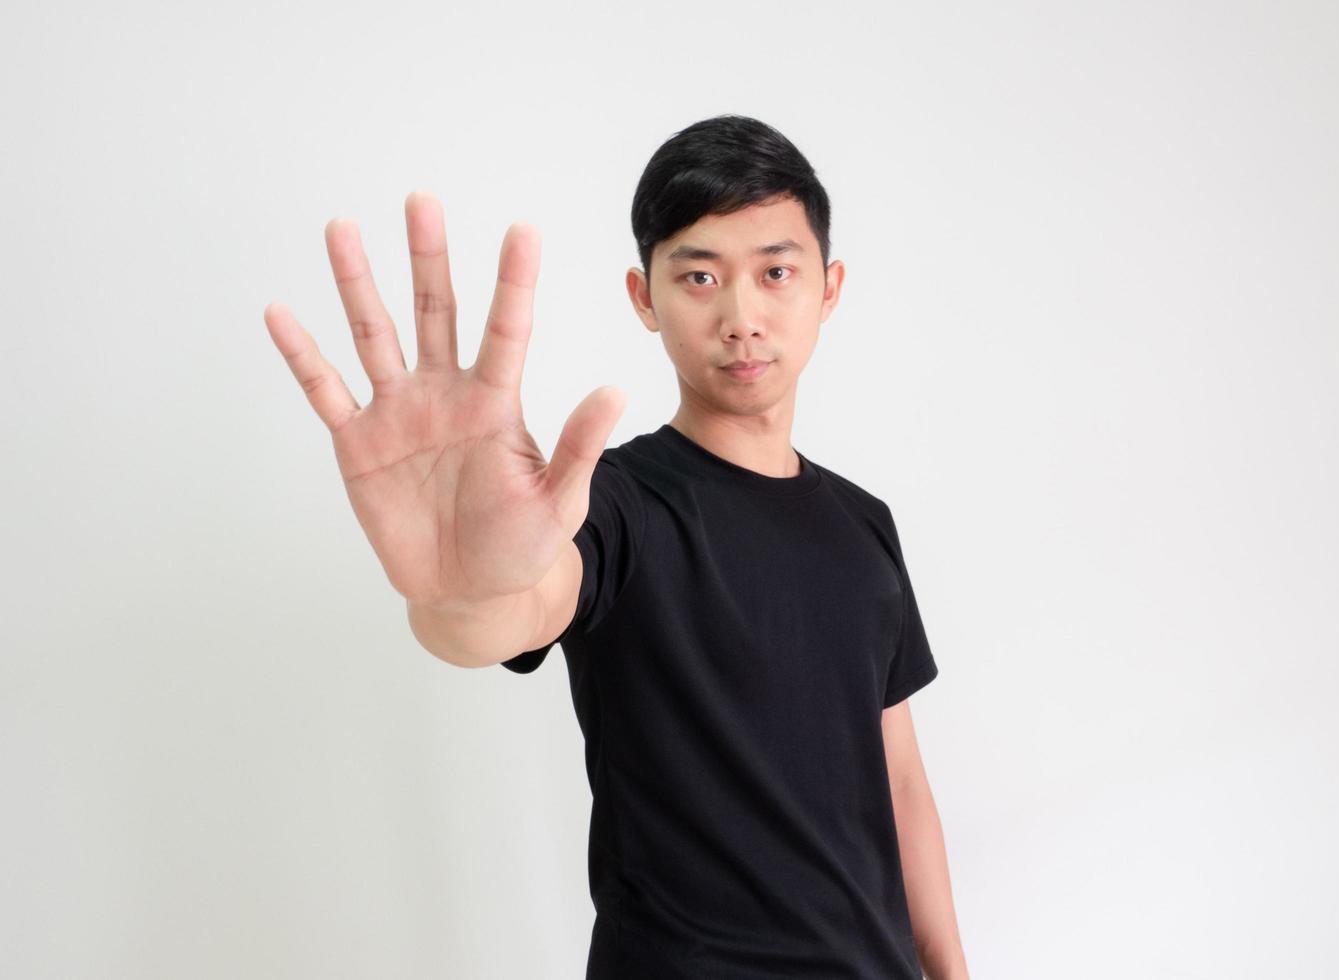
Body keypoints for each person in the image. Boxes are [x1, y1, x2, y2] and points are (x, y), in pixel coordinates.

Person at [263, 114, 969, 979]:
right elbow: (510, 608)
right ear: (645, 297)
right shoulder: (612, 505)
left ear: (828, 287)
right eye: (700, 276)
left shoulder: (865, 525)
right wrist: (460, 589)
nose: (742, 317)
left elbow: (900, 784)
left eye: (776, 272)